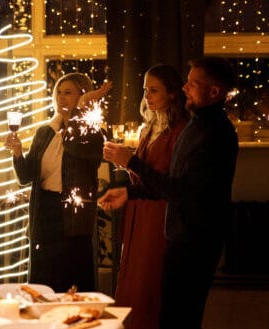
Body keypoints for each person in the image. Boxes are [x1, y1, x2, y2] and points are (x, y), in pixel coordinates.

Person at [100, 57, 238, 328]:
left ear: (214, 92)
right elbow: (173, 183)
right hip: (180, 236)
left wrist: (131, 163)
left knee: (179, 317)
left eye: (194, 84)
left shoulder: (215, 135)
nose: (186, 88)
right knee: (171, 315)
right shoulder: (197, 126)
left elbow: (181, 191)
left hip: (195, 241)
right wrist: (130, 193)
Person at [98, 64, 189, 329]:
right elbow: (141, 176)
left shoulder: (179, 131)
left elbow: (166, 181)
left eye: (154, 90)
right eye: (145, 90)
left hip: (159, 215)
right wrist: (125, 163)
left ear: (172, 93)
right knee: (132, 277)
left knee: (149, 280)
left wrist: (130, 161)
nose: (147, 96)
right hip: (138, 212)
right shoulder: (149, 128)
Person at [4, 73, 111, 293]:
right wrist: (17, 153)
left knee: (72, 281)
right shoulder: (45, 132)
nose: (61, 98)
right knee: (43, 281)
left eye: (68, 93)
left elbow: (75, 146)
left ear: (83, 96)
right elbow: (26, 176)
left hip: (74, 215)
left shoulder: (92, 132)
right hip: (45, 212)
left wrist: (80, 110)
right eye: (58, 93)